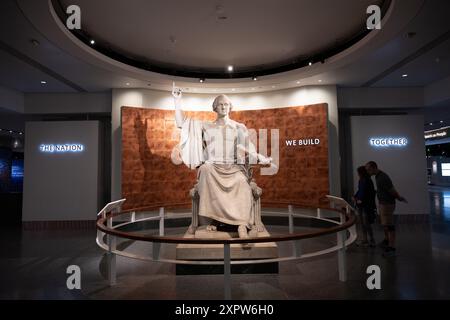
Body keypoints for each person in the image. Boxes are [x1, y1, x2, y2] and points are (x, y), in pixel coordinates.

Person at [172, 88, 272, 238]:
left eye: (226, 104)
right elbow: (182, 124)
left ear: (230, 107)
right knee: (205, 169)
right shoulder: (206, 126)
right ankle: (216, 220)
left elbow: (248, 148)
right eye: (220, 104)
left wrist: (260, 157)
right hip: (213, 167)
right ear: (214, 108)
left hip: (232, 168)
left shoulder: (239, 127)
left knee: (241, 182)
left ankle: (242, 224)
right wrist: (177, 101)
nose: (224, 107)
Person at [365, 161, 407, 257]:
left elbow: (391, 190)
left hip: (387, 204)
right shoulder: (377, 177)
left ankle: (391, 248)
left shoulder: (383, 177)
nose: (367, 172)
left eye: (368, 170)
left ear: (374, 167)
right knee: (385, 224)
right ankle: (387, 240)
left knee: (389, 225)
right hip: (383, 203)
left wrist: (399, 197)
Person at [353, 166, 376, 247]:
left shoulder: (368, 181)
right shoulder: (361, 180)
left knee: (367, 223)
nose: (358, 174)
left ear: (361, 172)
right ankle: (365, 239)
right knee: (362, 223)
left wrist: (361, 199)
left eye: (358, 172)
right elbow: (360, 190)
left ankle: (372, 240)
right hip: (360, 205)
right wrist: (355, 196)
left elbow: (370, 193)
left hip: (366, 205)